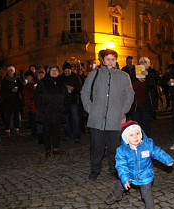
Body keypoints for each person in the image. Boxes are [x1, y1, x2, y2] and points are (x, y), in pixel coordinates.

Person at [105, 120, 174, 209]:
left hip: (145, 175)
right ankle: (116, 194)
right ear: (126, 138)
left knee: (146, 194)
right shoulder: (122, 150)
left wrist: (167, 159)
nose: (136, 137)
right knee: (120, 185)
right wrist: (125, 178)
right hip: (129, 174)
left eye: (138, 133)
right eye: (131, 135)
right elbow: (121, 166)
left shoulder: (147, 145)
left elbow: (157, 152)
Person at [81, 49, 134, 180]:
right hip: (97, 119)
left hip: (116, 119)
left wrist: (123, 110)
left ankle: (114, 169)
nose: (110, 62)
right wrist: (89, 108)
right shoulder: (94, 75)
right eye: (108, 59)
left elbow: (129, 94)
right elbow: (85, 92)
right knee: (96, 147)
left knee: (114, 148)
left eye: (113, 59)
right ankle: (95, 170)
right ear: (102, 60)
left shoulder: (123, 76)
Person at [34, 64, 67, 159]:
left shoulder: (61, 82)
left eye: (56, 70)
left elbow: (65, 96)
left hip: (58, 111)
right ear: (49, 72)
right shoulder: (43, 82)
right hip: (47, 111)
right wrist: (43, 108)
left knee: (57, 130)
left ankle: (56, 147)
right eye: (52, 70)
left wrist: (64, 106)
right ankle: (48, 149)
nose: (54, 72)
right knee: (47, 131)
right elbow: (37, 97)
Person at [130, 57, 158, 137]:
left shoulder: (153, 72)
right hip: (136, 104)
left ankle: (146, 142)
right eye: (141, 62)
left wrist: (147, 75)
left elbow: (154, 85)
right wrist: (136, 79)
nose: (143, 63)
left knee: (146, 125)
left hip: (147, 104)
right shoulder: (133, 73)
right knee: (136, 126)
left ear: (149, 63)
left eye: (145, 62)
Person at [61, 61, 82, 142]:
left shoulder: (75, 77)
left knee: (75, 119)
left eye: (68, 71)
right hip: (65, 101)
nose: (66, 72)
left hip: (73, 101)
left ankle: (77, 135)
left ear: (70, 70)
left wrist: (73, 89)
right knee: (65, 120)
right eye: (65, 71)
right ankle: (67, 134)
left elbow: (79, 88)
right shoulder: (61, 77)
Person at [0, 66, 23, 136]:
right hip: (8, 100)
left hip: (16, 99)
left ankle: (16, 128)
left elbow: (21, 87)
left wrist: (18, 89)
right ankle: (7, 129)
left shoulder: (18, 78)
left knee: (16, 114)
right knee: (8, 115)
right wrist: (10, 90)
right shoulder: (4, 79)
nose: (10, 71)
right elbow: (3, 89)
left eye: (11, 70)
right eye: (9, 70)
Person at [22, 71, 37, 138]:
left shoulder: (35, 84)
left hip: (33, 105)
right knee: (31, 119)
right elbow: (24, 92)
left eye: (28, 77)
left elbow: (34, 93)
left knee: (34, 119)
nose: (27, 78)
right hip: (28, 105)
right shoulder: (27, 84)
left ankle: (36, 133)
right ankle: (34, 133)